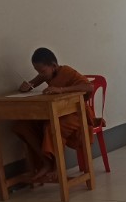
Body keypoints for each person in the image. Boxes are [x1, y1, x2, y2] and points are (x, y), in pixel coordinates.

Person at [12, 47, 95, 182]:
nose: (41, 74)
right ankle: (46, 162)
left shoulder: (67, 71)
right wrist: (25, 87)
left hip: (75, 114)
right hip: (55, 112)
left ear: (54, 66)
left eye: (42, 71)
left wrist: (61, 90)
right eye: (38, 71)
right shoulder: (46, 74)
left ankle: (56, 167)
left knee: (52, 127)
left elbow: (89, 87)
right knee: (22, 126)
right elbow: (33, 83)